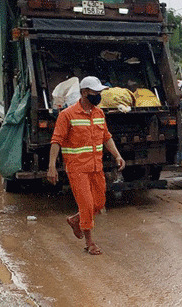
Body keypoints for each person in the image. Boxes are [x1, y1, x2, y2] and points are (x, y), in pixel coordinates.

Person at [48, 76, 126, 255]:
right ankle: (90, 243)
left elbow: (106, 137)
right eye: (94, 93)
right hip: (77, 169)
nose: (98, 96)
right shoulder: (66, 115)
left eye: (99, 93)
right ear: (84, 93)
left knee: (99, 204)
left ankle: (75, 220)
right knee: (87, 205)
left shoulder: (99, 113)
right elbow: (56, 141)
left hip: (95, 167)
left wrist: (117, 155)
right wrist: (52, 166)